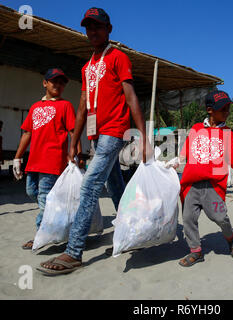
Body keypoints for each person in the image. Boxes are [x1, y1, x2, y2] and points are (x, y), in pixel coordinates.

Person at [37, 7, 149, 275]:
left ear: (109, 29)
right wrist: (74, 140)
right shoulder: (87, 67)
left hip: (114, 131)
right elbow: (83, 104)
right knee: (116, 186)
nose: (93, 31)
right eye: (88, 27)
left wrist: (143, 136)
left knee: (89, 188)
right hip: (95, 135)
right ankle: (135, 231)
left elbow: (131, 96)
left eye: (98, 26)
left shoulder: (118, 58)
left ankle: (74, 252)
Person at [174, 90, 233, 267]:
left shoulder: (227, 133)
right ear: (210, 110)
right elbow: (184, 152)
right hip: (191, 184)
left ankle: (231, 240)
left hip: (213, 186)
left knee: (220, 217)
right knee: (188, 218)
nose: (227, 112)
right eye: (223, 109)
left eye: (228, 108)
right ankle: (196, 251)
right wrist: (176, 162)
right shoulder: (196, 128)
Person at [13, 68, 80, 249]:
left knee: (44, 197)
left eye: (61, 82)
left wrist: (77, 154)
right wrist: (17, 157)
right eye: (54, 81)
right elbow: (27, 132)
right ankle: (55, 218)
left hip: (53, 160)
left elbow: (73, 131)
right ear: (45, 83)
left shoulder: (65, 106)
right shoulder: (35, 107)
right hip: (34, 160)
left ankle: (40, 235)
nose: (58, 85)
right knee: (31, 192)